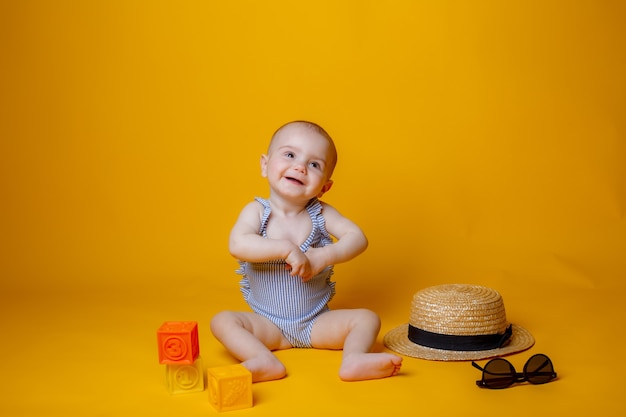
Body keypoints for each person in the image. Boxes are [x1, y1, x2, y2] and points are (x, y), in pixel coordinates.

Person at [210, 120, 402, 382]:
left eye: (314, 165)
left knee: (367, 319)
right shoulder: (257, 212)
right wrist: (285, 248)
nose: (300, 167)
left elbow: (358, 238)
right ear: (265, 165)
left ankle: (354, 359)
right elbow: (238, 244)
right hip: (268, 325)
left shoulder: (321, 213)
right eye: (289, 154)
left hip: (316, 323)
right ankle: (263, 360)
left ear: (325, 186)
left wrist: (323, 256)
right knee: (222, 321)